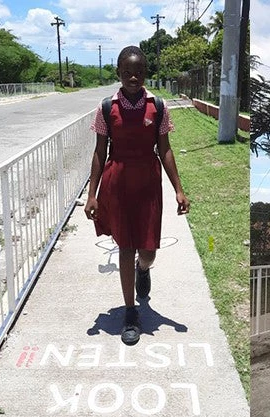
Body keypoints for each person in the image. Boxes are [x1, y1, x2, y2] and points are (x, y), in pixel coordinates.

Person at [85, 45, 190, 346]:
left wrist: (179, 190)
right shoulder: (106, 107)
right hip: (117, 182)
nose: (133, 77)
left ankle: (144, 270)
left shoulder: (158, 106)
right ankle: (130, 312)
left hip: (147, 182)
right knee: (126, 246)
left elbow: (165, 150)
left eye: (139, 72)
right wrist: (92, 195)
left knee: (147, 250)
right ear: (118, 73)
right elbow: (99, 151)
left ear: (145, 73)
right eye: (127, 72)